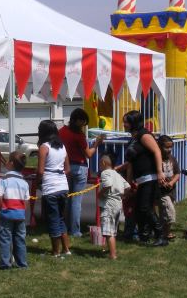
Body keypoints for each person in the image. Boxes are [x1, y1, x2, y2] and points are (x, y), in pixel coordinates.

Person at [122, 110, 167, 246]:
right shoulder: (133, 138)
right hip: (140, 179)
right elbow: (130, 163)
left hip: (150, 176)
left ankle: (161, 235)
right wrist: (129, 184)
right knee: (139, 209)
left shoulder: (144, 135)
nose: (124, 124)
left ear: (133, 123)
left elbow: (157, 151)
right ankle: (144, 235)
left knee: (145, 208)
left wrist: (159, 172)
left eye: (126, 122)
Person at [59, 108, 104, 237]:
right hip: (79, 168)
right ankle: (75, 230)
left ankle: (65, 228)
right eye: (84, 122)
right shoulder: (79, 136)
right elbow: (89, 154)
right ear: (80, 121)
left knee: (67, 199)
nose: (84, 125)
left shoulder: (62, 132)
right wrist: (96, 144)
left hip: (65, 167)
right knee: (76, 200)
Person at [36, 119, 71, 257]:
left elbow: (40, 171)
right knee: (61, 218)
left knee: (53, 220)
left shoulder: (44, 147)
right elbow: (68, 169)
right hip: (63, 186)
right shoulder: (62, 147)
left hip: (50, 187)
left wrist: (38, 182)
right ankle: (66, 249)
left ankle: (55, 251)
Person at [0, 151, 30, 269]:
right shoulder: (24, 182)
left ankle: (6, 263)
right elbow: (26, 201)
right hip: (20, 214)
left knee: (5, 238)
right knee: (20, 239)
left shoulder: (4, 179)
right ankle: (22, 263)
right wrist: (23, 211)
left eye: (8, 160)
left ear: (11, 164)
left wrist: (1, 209)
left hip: (6, 213)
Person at [98, 155, 130, 260]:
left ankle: (112, 255)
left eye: (99, 164)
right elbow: (127, 186)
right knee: (113, 230)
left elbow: (107, 185)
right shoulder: (117, 174)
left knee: (108, 231)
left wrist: (100, 193)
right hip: (118, 204)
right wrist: (123, 195)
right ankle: (111, 249)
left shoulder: (105, 173)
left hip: (109, 205)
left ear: (103, 163)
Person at [158, 135, 180, 241]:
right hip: (161, 192)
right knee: (169, 211)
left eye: (171, 147)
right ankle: (167, 232)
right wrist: (162, 183)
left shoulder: (172, 158)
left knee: (164, 213)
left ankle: (163, 232)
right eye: (166, 147)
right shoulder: (157, 160)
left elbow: (177, 173)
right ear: (159, 147)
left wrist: (172, 182)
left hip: (171, 190)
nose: (169, 150)